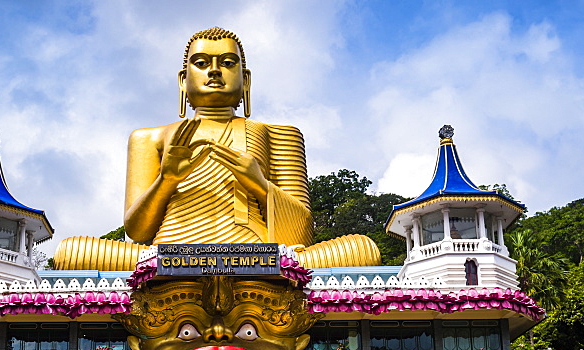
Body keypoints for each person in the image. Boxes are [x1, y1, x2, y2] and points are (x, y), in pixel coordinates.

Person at [53, 27, 380, 271]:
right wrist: (166, 179)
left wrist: (259, 184)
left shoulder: (278, 134)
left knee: (363, 250)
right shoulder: (149, 138)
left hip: (258, 256)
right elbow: (138, 232)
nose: (214, 71)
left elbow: (301, 236)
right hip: (169, 256)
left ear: (245, 79)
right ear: (183, 80)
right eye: (201, 63)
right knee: (69, 252)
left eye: (226, 62)